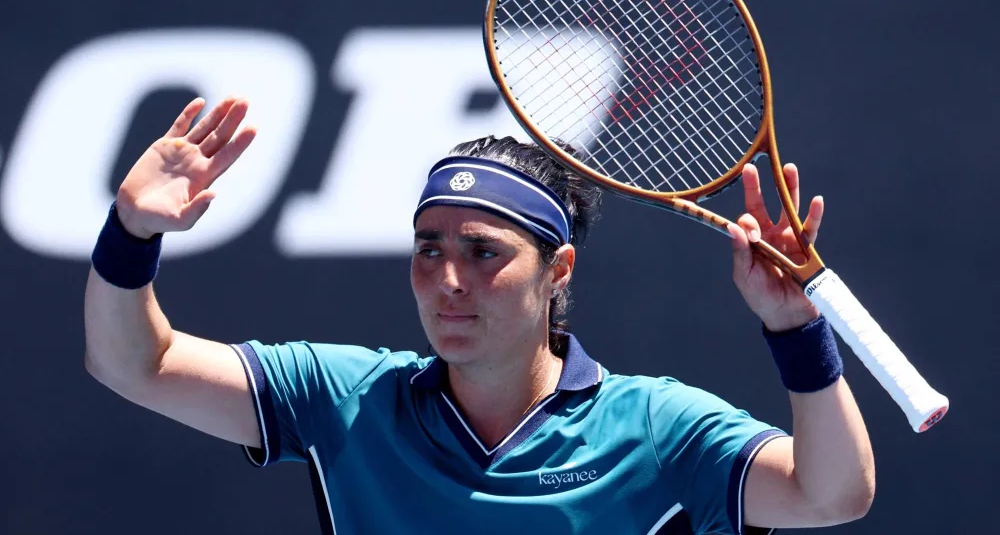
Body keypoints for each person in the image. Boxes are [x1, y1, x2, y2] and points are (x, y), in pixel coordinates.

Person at [84, 97, 875, 535]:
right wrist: (133, 234)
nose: (448, 279)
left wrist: (797, 333)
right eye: (429, 249)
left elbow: (832, 495)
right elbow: (135, 364)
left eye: (483, 252)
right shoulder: (343, 401)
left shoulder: (661, 430)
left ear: (557, 271)